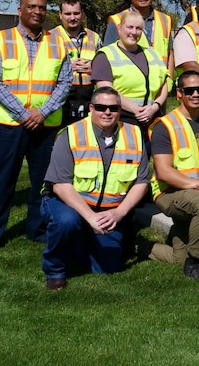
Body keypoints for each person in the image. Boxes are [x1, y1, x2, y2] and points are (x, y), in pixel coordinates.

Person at [0, 0, 72, 255]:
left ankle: (38, 230)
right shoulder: (2, 38)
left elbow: (65, 83)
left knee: (43, 182)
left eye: (42, 8)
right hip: (8, 123)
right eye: (31, 7)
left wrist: (42, 112)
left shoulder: (58, 41)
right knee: (0, 181)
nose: (37, 12)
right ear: (20, 10)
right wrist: (23, 114)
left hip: (46, 124)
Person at [40, 86, 149, 290]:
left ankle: (77, 242)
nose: (107, 112)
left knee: (111, 267)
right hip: (68, 204)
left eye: (113, 108)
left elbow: (142, 181)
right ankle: (55, 270)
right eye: (100, 107)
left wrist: (118, 213)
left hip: (109, 211)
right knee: (66, 222)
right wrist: (90, 217)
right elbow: (60, 185)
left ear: (119, 110)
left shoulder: (135, 135)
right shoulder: (70, 134)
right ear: (91, 108)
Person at [146, 71, 199, 282]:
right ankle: (195, 263)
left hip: (198, 191)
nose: (196, 94)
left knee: (178, 256)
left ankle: (140, 246)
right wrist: (198, 185)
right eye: (190, 91)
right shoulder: (165, 125)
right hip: (169, 192)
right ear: (179, 93)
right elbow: (163, 171)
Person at [92, 10, 170, 132]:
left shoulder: (153, 54)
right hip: (121, 119)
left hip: (152, 118)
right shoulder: (105, 56)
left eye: (138, 28)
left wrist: (155, 107)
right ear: (119, 28)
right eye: (129, 27)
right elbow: (106, 90)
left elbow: (164, 85)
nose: (134, 32)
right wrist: (136, 109)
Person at [103, 0, 174, 76]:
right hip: (132, 83)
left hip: (162, 82)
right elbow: (108, 56)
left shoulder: (165, 19)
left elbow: (170, 54)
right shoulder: (117, 20)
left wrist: (169, 81)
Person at [53, 0, 102, 126]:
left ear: (82, 14)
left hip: (88, 99)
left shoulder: (94, 37)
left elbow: (105, 67)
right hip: (62, 99)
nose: (72, 18)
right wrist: (67, 66)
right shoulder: (51, 37)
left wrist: (94, 67)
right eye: (68, 14)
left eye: (76, 13)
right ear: (60, 15)